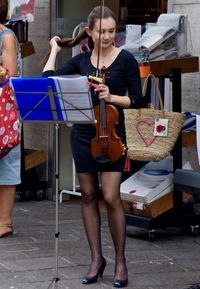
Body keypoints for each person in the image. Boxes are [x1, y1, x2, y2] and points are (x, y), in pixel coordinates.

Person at [43, 6, 145, 288]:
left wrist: (112, 96)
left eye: (112, 31)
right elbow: (48, 80)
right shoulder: (81, 61)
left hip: (113, 135)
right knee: (88, 195)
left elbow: (139, 100)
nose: (108, 36)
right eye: (102, 31)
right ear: (90, 32)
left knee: (111, 197)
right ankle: (96, 259)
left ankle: (121, 261)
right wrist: (54, 49)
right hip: (83, 136)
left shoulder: (126, 61)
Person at [0, 0, 21, 237]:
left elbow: (8, 74)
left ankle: (4, 221)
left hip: (4, 111)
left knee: (6, 159)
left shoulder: (6, 36)